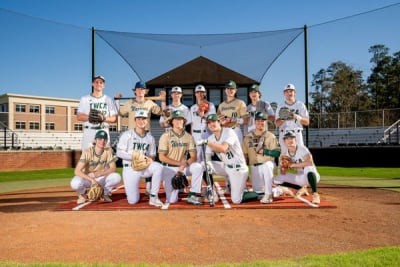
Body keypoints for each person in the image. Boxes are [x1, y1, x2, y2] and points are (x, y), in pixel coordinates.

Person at [196, 114, 259, 204]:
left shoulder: (229, 132)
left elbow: (223, 148)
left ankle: (259, 193)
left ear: (219, 122)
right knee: (203, 165)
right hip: (226, 167)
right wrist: (208, 163)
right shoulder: (211, 138)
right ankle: (212, 193)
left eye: (213, 121)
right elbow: (207, 155)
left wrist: (207, 142)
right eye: (209, 123)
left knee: (236, 200)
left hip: (238, 169)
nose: (211, 124)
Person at [116, 110, 164, 207]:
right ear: (135, 120)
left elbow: (152, 155)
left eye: (144, 119)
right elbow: (119, 152)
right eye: (139, 118)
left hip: (144, 167)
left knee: (158, 167)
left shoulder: (150, 138)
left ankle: (153, 197)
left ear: (147, 121)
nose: (141, 121)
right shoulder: (127, 135)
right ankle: (131, 192)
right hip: (130, 167)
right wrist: (135, 157)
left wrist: (150, 159)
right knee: (133, 201)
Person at [158, 110, 204, 205]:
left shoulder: (189, 137)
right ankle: (174, 186)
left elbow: (194, 157)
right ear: (172, 122)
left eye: (181, 119)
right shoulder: (165, 136)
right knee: (171, 200)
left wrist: (183, 165)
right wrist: (179, 164)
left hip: (183, 167)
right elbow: (161, 157)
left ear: (184, 122)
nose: (179, 121)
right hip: (169, 168)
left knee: (198, 167)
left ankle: (192, 194)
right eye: (176, 119)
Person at [70, 130, 121, 204]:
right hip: (87, 178)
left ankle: (105, 194)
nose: (102, 141)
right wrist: (91, 179)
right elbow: (77, 171)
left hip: (100, 178)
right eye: (100, 139)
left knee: (116, 177)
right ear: (95, 140)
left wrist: (99, 174)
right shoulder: (87, 151)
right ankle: (83, 194)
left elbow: (113, 168)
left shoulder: (108, 151)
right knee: (75, 183)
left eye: (105, 139)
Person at [242, 112, 280, 204]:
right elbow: (244, 156)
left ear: (266, 122)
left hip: (267, 163)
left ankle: (269, 195)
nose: (260, 122)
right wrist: (245, 172)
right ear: (254, 122)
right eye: (258, 120)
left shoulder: (271, 136)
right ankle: (277, 190)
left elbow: (277, 152)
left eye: (263, 120)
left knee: (267, 165)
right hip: (254, 167)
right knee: (258, 193)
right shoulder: (247, 137)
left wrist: (265, 151)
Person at [274, 131, 321, 204]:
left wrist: (293, 165)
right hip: (301, 179)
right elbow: (283, 173)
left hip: (312, 176)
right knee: (277, 179)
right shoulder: (285, 154)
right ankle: (301, 188)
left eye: (292, 138)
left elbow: (310, 162)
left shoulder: (302, 149)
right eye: (287, 139)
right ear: (284, 141)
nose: (290, 140)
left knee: (308, 168)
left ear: (295, 140)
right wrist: (283, 166)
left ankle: (315, 194)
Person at [77, 75, 118, 150]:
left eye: (101, 82)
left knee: (103, 159)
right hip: (89, 132)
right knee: (87, 158)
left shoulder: (108, 99)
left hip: (103, 130)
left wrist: (103, 118)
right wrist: (90, 117)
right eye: (96, 82)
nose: (98, 84)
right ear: (92, 84)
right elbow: (79, 116)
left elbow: (114, 119)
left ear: (104, 85)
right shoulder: (84, 98)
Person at [275, 83, 309, 152]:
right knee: (284, 158)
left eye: (291, 91)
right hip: (284, 133)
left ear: (295, 92)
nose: (289, 93)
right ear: (284, 93)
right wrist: (284, 117)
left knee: (300, 156)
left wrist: (296, 116)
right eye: (287, 91)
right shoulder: (280, 106)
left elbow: (307, 122)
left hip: (297, 134)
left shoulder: (300, 105)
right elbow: (277, 124)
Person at [189, 84, 216, 162]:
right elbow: (192, 123)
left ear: (205, 93)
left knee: (208, 158)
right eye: (198, 92)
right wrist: (191, 137)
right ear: (195, 94)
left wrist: (203, 116)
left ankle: (208, 174)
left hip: (207, 133)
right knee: (197, 159)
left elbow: (213, 121)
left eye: (202, 92)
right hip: (195, 135)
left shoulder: (211, 105)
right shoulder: (192, 108)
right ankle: (200, 174)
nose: (200, 94)